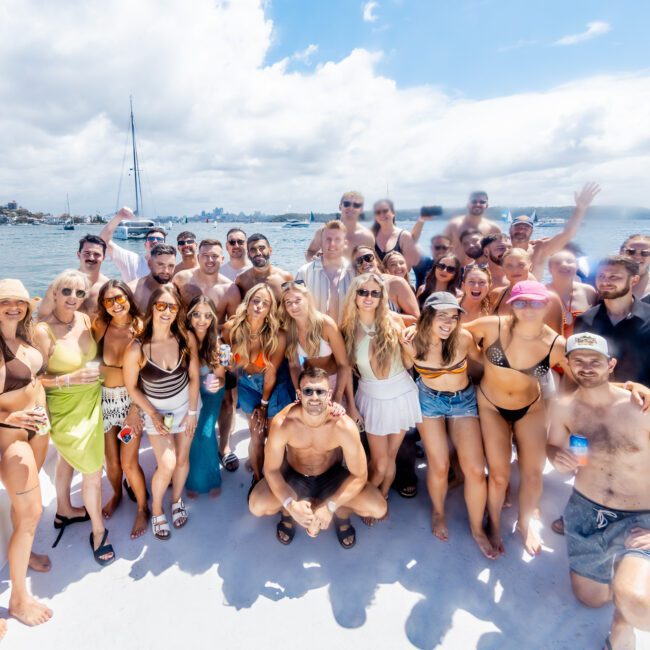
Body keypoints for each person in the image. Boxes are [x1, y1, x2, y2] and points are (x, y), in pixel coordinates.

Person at [547, 333, 650, 650]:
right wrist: (556, 457)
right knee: (590, 599)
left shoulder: (640, 406)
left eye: (596, 361)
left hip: (640, 517)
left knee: (635, 601)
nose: (587, 367)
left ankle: (622, 625)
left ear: (611, 365)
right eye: (578, 360)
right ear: (567, 365)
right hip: (586, 512)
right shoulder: (563, 407)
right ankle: (624, 571)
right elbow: (553, 445)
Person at [464, 281, 569, 556]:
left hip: (530, 408)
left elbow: (587, 376)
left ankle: (524, 524)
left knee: (533, 474)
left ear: (546, 305)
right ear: (512, 304)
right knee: (498, 477)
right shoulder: (492, 326)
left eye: (535, 302)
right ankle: (495, 523)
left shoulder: (556, 344)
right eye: (521, 302)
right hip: (491, 406)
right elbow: (451, 330)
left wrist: (632, 387)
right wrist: (474, 354)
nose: (528, 308)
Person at [401, 292, 496, 559]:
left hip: (462, 400)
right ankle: (438, 512)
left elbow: (483, 363)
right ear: (428, 315)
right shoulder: (411, 341)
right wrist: (404, 336)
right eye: (441, 315)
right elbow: (404, 368)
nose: (448, 322)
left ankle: (477, 529)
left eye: (453, 316)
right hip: (428, 401)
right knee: (439, 465)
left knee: (476, 470)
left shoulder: (463, 338)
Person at [249, 367, 387, 548]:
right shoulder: (283, 423)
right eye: (308, 391)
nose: (314, 397)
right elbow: (272, 470)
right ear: (299, 394)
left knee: (378, 507)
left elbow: (359, 476)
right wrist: (290, 504)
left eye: (320, 391)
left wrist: (331, 505)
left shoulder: (343, 426)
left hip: (332, 477)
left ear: (329, 395)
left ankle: (339, 512)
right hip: (295, 477)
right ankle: (291, 512)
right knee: (256, 505)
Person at [34, 270, 115, 565]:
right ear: (54, 292)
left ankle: (64, 510)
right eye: (66, 291)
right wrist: (70, 379)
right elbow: (35, 379)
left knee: (68, 459)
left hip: (92, 400)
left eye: (80, 293)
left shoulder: (82, 320)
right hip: (65, 408)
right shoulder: (43, 330)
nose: (73, 298)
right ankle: (98, 531)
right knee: (93, 471)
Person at [341, 273, 422, 524]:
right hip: (372, 397)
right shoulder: (347, 330)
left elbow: (411, 358)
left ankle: (381, 495)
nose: (368, 297)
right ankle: (364, 499)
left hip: (401, 393)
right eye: (363, 292)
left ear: (382, 296)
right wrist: (351, 408)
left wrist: (410, 343)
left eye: (375, 293)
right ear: (354, 295)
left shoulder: (395, 320)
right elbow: (345, 371)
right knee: (380, 462)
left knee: (390, 457)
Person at [122, 285, 200, 540]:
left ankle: (176, 501)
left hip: (185, 408)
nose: (167, 311)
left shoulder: (185, 337)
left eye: (173, 307)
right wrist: (152, 415)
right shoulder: (137, 347)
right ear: (152, 308)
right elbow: (132, 388)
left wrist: (191, 412)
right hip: (155, 411)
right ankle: (156, 510)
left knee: (182, 460)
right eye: (161, 306)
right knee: (166, 464)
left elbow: (194, 377)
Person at [0, 279, 53, 626]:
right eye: (5, 302)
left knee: (25, 514)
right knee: (32, 514)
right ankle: (19, 599)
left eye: (19, 302)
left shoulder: (25, 336)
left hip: (38, 431)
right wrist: (8, 416)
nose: (14, 307)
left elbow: (36, 378)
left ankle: (25, 552)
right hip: (11, 439)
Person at [92, 280, 149, 539]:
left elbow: (148, 374)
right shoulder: (100, 326)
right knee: (112, 464)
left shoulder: (141, 327)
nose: (115, 304)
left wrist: (136, 408)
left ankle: (142, 506)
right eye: (109, 300)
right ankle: (116, 494)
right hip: (105, 400)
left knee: (128, 462)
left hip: (131, 402)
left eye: (119, 298)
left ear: (128, 297)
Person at [221, 284, 294, 482]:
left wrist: (263, 405)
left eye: (265, 303)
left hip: (273, 385)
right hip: (247, 383)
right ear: (248, 302)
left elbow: (271, 372)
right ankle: (258, 477)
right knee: (256, 435)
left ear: (271, 309)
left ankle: (279, 479)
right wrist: (225, 364)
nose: (259, 306)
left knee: (274, 436)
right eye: (256, 301)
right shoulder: (231, 329)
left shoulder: (277, 335)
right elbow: (227, 363)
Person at [278, 280, 357, 422]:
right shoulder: (289, 329)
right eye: (288, 302)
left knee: (334, 427)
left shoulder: (326, 324)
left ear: (307, 299)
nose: (293, 306)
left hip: (333, 383)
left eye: (297, 300)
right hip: (308, 384)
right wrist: (300, 394)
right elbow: (294, 366)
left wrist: (337, 398)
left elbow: (344, 364)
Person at [574, 255, 650, 386]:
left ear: (634, 280)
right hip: (599, 399)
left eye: (614, 277)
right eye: (601, 276)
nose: (605, 282)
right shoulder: (585, 320)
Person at [509, 183, 600, 279]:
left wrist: (580, 209)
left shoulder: (540, 250)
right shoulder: (501, 249)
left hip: (532, 293)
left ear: (531, 231)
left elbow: (567, 234)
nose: (521, 230)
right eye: (517, 226)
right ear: (510, 229)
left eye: (525, 227)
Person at [185, 295, 225, 498]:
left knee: (206, 434)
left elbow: (222, 378)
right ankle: (193, 480)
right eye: (197, 315)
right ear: (189, 316)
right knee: (190, 435)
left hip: (211, 394)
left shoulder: (215, 343)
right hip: (187, 393)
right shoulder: (181, 339)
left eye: (208, 316)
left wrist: (218, 383)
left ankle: (212, 478)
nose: (202, 320)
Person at [489, 248, 563, 332]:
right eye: (509, 266)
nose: (515, 270)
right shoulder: (496, 294)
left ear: (530, 266)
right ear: (502, 269)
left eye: (521, 265)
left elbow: (557, 339)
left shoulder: (550, 298)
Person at [37, 234, 110, 319]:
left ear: (104, 257)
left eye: (97, 254)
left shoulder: (107, 288)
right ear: (79, 255)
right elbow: (41, 317)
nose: (91, 258)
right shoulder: (61, 284)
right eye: (87, 253)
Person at [295, 220, 354, 322]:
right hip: (314, 335)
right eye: (328, 239)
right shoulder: (304, 273)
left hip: (348, 336)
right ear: (321, 243)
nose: (332, 244)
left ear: (345, 243)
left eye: (337, 239)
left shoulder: (354, 273)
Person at [173, 239, 239, 322]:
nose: (210, 260)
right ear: (198, 257)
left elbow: (233, 325)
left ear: (222, 259)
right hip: (183, 333)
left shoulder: (230, 290)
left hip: (214, 334)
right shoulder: (181, 279)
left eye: (214, 256)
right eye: (205, 255)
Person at [99, 206, 167, 282]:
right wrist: (119, 216)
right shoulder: (132, 261)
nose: (155, 241)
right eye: (151, 239)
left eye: (159, 240)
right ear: (145, 245)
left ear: (165, 246)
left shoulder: (169, 268)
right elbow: (103, 240)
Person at [352, 245, 420, 321]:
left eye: (368, 257)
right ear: (356, 268)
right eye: (359, 261)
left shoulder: (396, 283)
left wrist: (385, 314)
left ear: (376, 260)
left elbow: (416, 319)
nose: (364, 262)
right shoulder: (357, 290)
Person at [305, 191, 374, 261]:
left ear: (361, 210)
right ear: (340, 206)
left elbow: (372, 262)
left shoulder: (367, 237)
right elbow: (310, 252)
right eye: (347, 204)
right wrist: (314, 262)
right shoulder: (323, 231)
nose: (351, 208)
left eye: (356, 205)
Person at [545, 250, 597, 338]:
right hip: (551, 348)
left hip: (582, 347)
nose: (564, 265)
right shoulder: (541, 293)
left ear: (577, 267)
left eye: (569, 261)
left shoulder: (589, 291)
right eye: (557, 263)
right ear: (550, 269)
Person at [442, 191, 501, 262]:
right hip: (456, 271)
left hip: (482, 271)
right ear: (468, 204)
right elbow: (441, 249)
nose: (478, 204)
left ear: (487, 205)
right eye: (474, 201)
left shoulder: (493, 228)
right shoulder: (454, 225)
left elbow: (498, 254)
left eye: (482, 202)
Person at [236, 233, 293, 301]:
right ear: (248, 255)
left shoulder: (285, 278)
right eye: (253, 250)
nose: (258, 253)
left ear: (270, 251)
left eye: (262, 248)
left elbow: (293, 303)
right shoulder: (242, 280)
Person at [371, 199, 420, 268]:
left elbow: (407, 268)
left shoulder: (404, 236)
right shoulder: (371, 236)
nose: (382, 214)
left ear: (393, 212)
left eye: (385, 211)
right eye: (378, 212)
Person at [128, 243, 177, 311]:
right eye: (160, 264)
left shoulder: (174, 290)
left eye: (171, 266)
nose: (166, 271)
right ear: (149, 264)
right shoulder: (131, 291)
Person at [620, 233, 650, 299]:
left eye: (645, 253)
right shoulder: (603, 281)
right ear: (621, 253)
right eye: (631, 252)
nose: (637, 257)